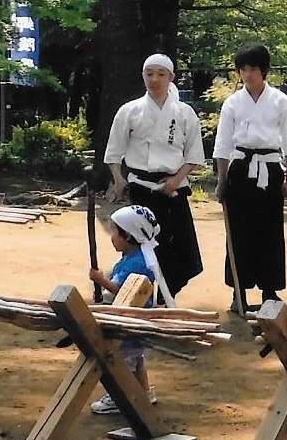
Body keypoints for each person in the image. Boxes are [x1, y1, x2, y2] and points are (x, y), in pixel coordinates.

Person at [105, 54, 205, 298]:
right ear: (143, 76)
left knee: (182, 249)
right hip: (141, 187)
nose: (155, 79)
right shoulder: (129, 111)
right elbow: (114, 151)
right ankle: (137, 295)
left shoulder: (184, 112)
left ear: (171, 77)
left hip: (173, 188)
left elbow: (194, 155)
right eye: (149, 73)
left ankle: (165, 297)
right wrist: (118, 178)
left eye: (161, 74)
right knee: (140, 249)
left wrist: (175, 179)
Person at [213, 43, 287, 310]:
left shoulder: (280, 101)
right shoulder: (233, 103)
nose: (247, 74)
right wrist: (221, 179)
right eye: (243, 69)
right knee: (239, 232)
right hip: (240, 170)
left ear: (264, 71)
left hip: (270, 168)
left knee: (270, 232)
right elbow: (223, 144)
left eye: (252, 69)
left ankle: (270, 290)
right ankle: (238, 291)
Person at [88, 205, 161, 414]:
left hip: (129, 321)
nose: (112, 237)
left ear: (128, 236)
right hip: (133, 320)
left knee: (122, 362)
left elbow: (123, 290)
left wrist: (100, 280)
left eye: (115, 233)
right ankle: (143, 392)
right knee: (136, 360)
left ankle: (120, 397)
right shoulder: (134, 258)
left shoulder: (136, 263)